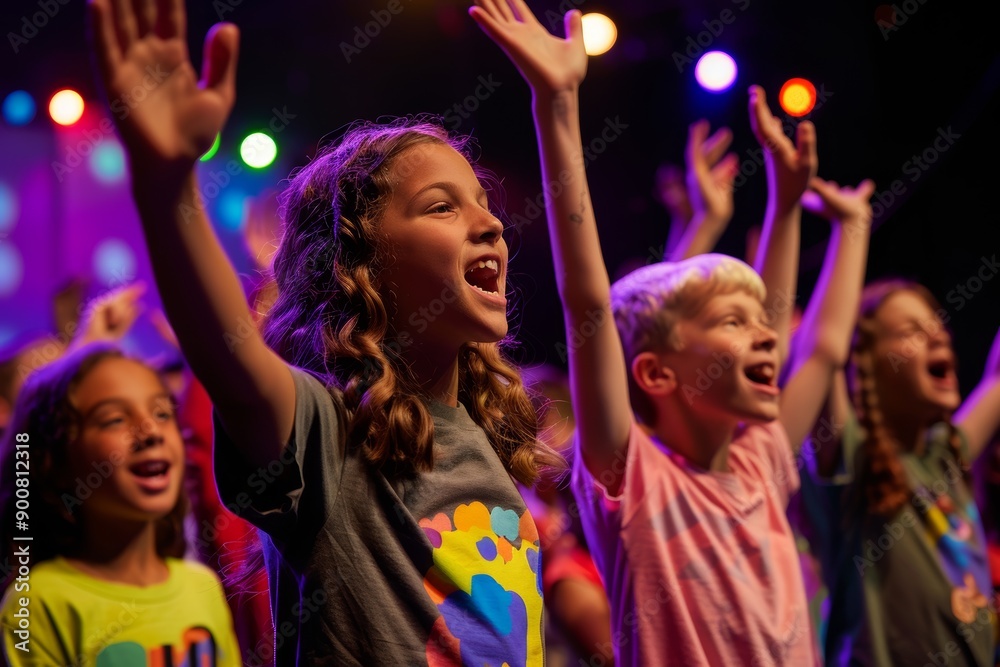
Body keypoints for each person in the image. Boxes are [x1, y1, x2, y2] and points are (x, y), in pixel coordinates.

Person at [86, 0, 555, 663]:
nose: (492, 224)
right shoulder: (327, 434)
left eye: (484, 204)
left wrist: (558, 105)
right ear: (359, 264)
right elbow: (231, 361)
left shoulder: (483, 439)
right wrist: (169, 191)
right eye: (442, 207)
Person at [469, 2, 870, 663]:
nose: (768, 337)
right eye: (732, 323)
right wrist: (557, 104)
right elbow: (586, 300)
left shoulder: (760, 463)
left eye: (760, 325)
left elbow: (815, 341)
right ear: (655, 372)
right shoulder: (634, 477)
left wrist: (788, 207)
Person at [798, 276, 1000, 665]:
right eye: (911, 332)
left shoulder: (945, 458)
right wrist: (849, 238)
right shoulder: (855, 459)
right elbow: (825, 350)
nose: (938, 337)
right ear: (866, 362)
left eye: (938, 327)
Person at [0, 344, 241, 665]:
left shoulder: (203, 586)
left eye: (162, 413)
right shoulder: (37, 602)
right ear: (54, 461)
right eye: (115, 419)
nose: (151, 431)